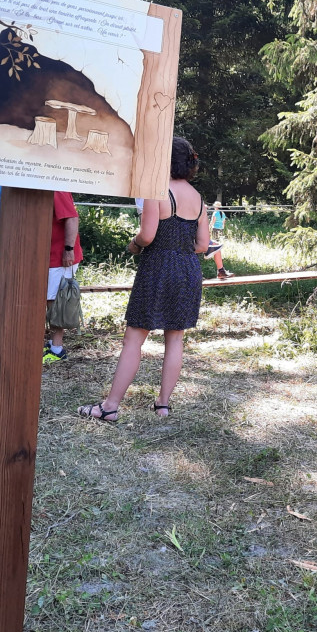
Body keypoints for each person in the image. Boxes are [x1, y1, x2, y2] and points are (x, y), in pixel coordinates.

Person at [77, 136, 209, 422]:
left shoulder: (157, 192)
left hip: (158, 267)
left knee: (133, 339)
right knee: (175, 337)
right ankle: (163, 405)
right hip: (187, 270)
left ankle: (110, 407)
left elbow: (147, 236)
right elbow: (202, 245)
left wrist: (134, 245)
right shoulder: (198, 199)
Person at [44, 191, 83, 364]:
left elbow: (72, 218)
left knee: (56, 302)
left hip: (60, 257)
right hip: (51, 256)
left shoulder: (57, 188)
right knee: (50, 300)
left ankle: (57, 349)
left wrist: (68, 250)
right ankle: (52, 344)